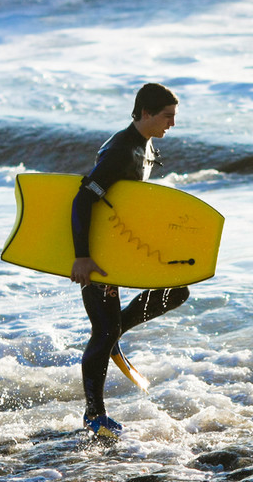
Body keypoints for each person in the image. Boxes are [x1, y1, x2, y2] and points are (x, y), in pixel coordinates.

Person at [69, 83, 189, 439]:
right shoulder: (122, 151)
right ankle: (95, 415)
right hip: (99, 254)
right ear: (146, 113)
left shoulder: (146, 145)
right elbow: (82, 200)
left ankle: (117, 333)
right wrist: (82, 257)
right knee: (102, 331)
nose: (172, 124)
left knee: (177, 291)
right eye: (167, 116)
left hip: (121, 247)